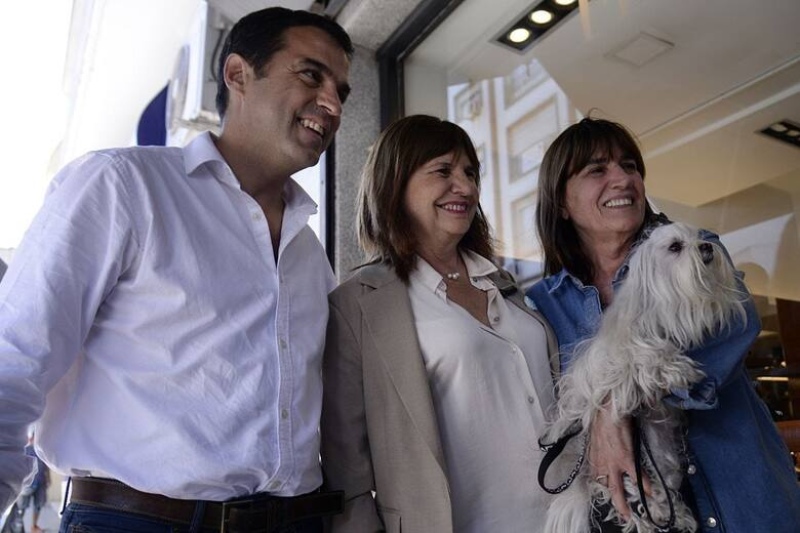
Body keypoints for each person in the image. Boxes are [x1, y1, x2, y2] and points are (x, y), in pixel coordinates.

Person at [0, 7, 352, 533]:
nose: (330, 103)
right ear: (238, 75)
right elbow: (16, 359)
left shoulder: (307, 248)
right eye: (310, 75)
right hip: (136, 522)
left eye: (342, 92)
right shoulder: (122, 186)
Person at [526, 117, 800, 532]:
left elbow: (734, 321)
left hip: (742, 505)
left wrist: (611, 408)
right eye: (597, 170)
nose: (622, 179)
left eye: (630, 166)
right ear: (561, 202)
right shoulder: (544, 302)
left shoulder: (695, 247)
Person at [320, 115, 559, 532]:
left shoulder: (504, 285)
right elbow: (348, 480)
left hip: (568, 519)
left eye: (470, 172)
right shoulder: (357, 306)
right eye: (442, 171)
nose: (465, 187)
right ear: (395, 182)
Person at [17, 437, 50, 533]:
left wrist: (48, 478)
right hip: (27, 484)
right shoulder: (25, 449)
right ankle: (19, 525)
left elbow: (45, 464)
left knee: (38, 505)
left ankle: (34, 526)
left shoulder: (41, 450)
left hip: (40, 481)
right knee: (22, 506)